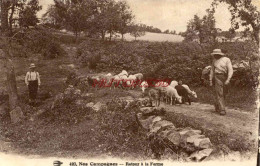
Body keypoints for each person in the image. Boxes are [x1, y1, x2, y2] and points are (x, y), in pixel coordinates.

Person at [209, 49, 233, 115]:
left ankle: (217, 105)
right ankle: (222, 109)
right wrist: (210, 80)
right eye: (214, 54)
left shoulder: (226, 59)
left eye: (217, 54)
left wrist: (228, 79)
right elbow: (212, 71)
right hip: (217, 77)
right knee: (220, 93)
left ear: (220, 54)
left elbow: (230, 70)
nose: (215, 55)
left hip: (225, 77)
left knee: (225, 93)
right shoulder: (214, 61)